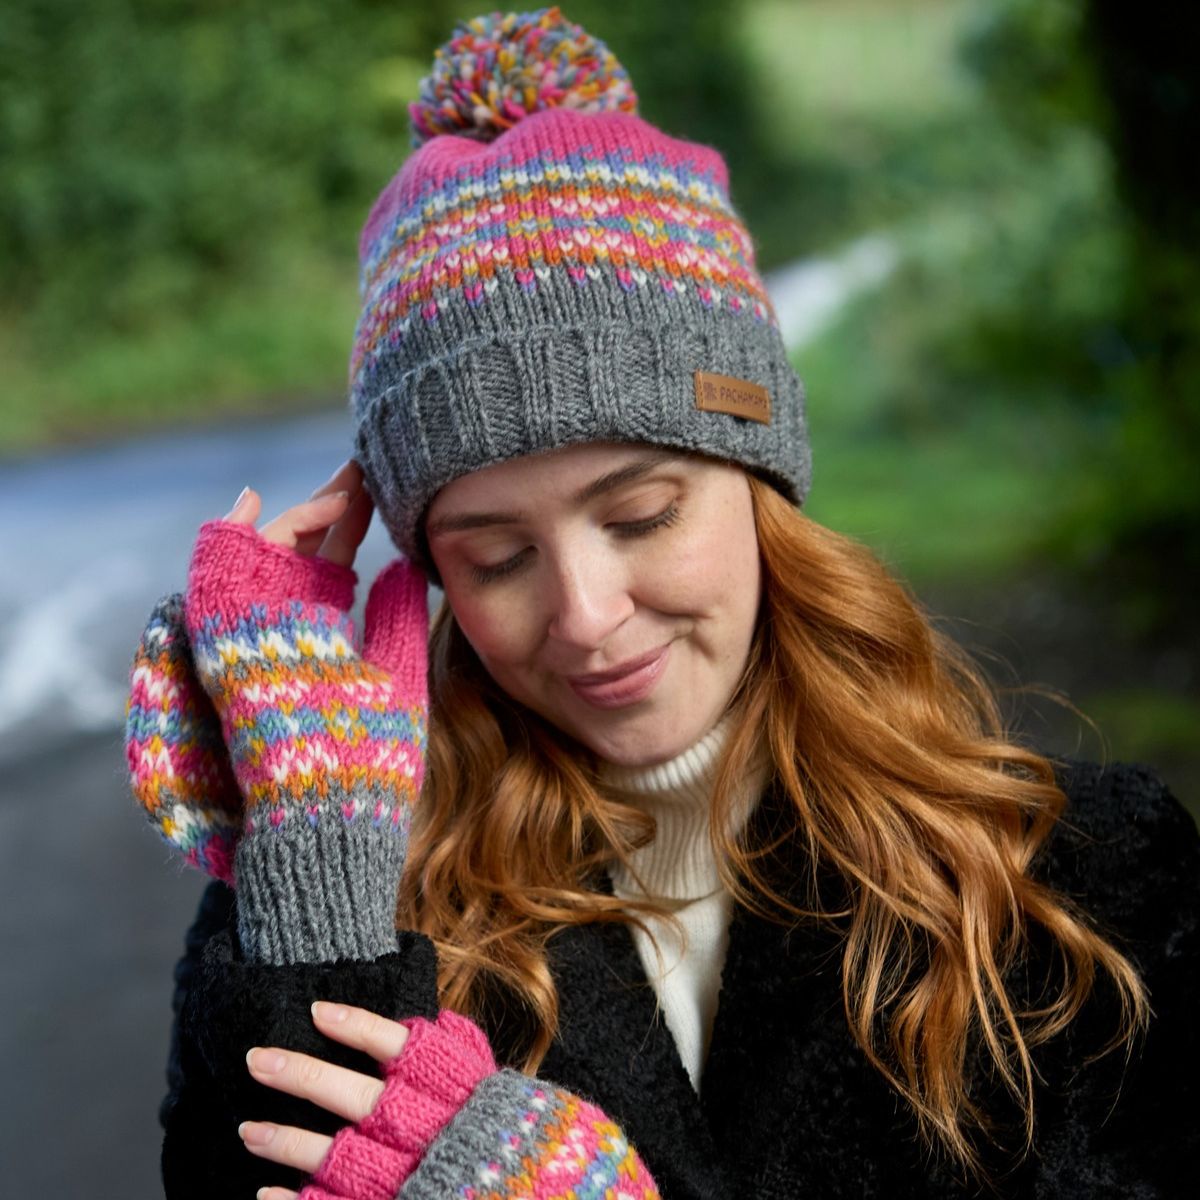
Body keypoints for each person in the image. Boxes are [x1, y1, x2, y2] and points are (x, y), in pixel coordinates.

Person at [124, 9, 1199, 1198]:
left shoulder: (1084, 884)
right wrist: (318, 859)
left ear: (760, 484)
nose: (586, 615)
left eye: (640, 517)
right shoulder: (356, 910)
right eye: (497, 560)